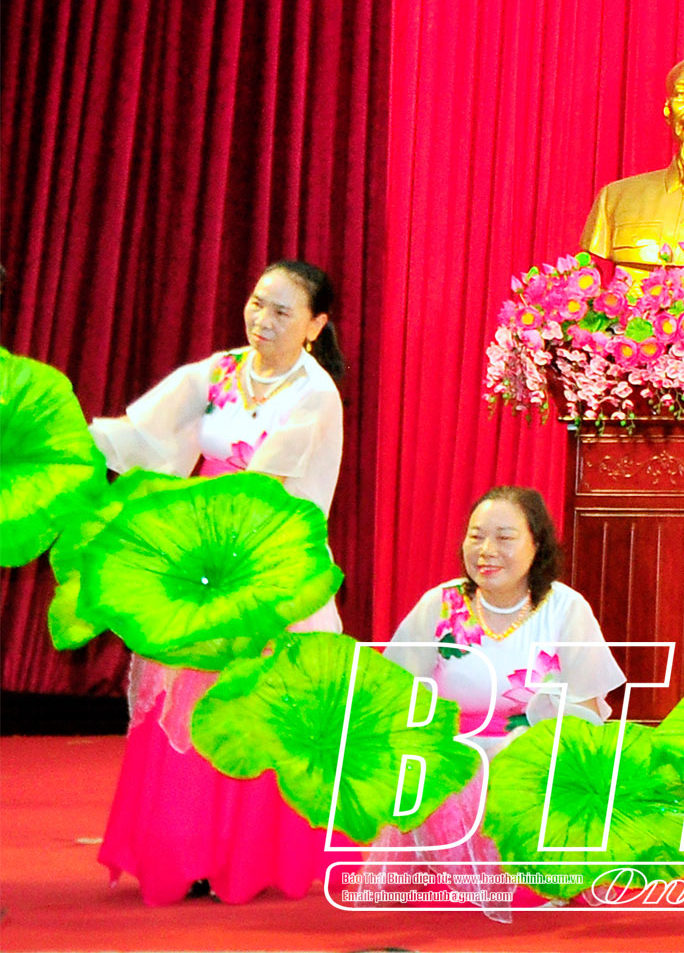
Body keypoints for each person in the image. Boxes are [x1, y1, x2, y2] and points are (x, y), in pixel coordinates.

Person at [91, 260, 352, 905]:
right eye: (257, 303)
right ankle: (182, 851)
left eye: (282, 312)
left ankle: (243, 857)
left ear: (315, 325)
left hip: (266, 565)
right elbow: (141, 435)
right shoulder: (218, 372)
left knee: (243, 705)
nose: (262, 320)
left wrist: (205, 538)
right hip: (202, 552)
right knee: (179, 697)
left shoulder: (314, 394)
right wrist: (72, 445)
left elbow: (265, 488)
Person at [369, 486, 627, 915]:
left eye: (504, 537)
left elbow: (586, 707)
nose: (486, 550)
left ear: (536, 544)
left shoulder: (565, 608)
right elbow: (395, 692)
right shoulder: (440, 604)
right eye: (476, 536)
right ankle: (446, 867)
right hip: (454, 751)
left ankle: (541, 871)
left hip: (532, 752)